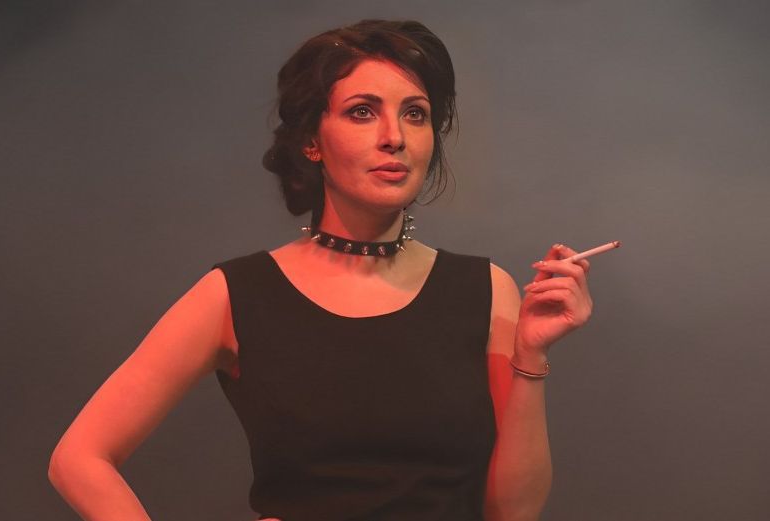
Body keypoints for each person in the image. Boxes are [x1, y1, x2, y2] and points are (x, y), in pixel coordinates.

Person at [48, 19, 593, 521]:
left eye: (415, 113)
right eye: (362, 112)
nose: (394, 136)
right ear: (311, 140)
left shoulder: (485, 290)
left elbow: (513, 512)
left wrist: (530, 356)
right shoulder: (239, 294)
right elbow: (79, 457)